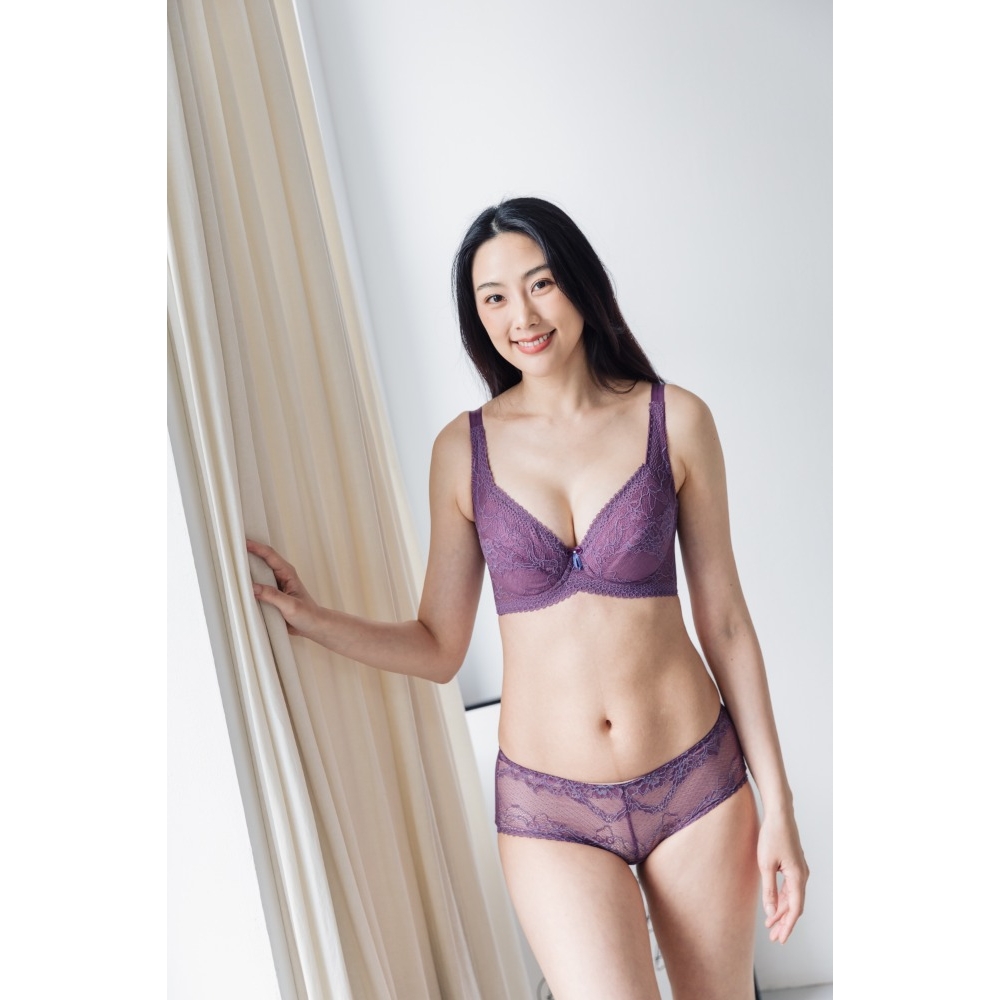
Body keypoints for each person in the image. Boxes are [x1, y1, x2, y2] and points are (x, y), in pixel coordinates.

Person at [247, 197, 808, 1000]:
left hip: (695, 782)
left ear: (579, 282)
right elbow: (439, 645)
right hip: (552, 812)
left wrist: (778, 806)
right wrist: (314, 620)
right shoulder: (463, 450)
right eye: (495, 297)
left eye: (541, 283)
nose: (523, 316)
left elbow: (725, 623)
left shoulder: (674, 419)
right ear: (477, 317)